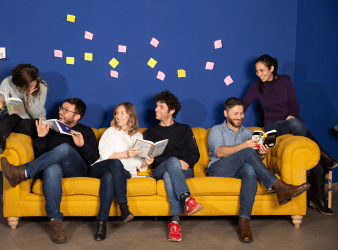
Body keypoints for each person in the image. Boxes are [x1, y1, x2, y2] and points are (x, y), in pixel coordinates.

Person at [242, 54, 337, 216]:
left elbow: (294, 103)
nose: (259, 74)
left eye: (262, 70)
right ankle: (325, 155)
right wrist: (234, 119)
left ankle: (318, 199)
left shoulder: (284, 80)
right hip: (273, 127)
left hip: (291, 123)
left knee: (309, 150)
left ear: (272, 69)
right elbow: (243, 104)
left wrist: (292, 114)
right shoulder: (256, 85)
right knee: (296, 124)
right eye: (257, 71)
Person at [206, 97, 310, 243]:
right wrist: (245, 147)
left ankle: (244, 222)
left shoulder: (248, 133)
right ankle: (279, 186)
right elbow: (220, 153)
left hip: (240, 170)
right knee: (247, 151)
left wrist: (261, 154)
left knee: (249, 168)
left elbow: (252, 159)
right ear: (226, 113)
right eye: (235, 113)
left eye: (241, 113)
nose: (239, 117)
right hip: (218, 169)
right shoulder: (216, 130)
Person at [0, 98, 99, 244]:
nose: (60, 112)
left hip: (77, 170)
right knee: (51, 169)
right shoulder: (51, 129)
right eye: (61, 108)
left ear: (76, 116)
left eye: (66, 110)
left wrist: (82, 146)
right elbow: (42, 158)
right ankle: (56, 223)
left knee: (64, 148)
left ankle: (24, 172)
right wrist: (41, 137)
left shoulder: (86, 131)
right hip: (54, 170)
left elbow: (94, 160)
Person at [143, 90, 203, 242]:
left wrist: (185, 163)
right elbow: (154, 160)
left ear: (171, 110)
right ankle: (187, 199)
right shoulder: (150, 133)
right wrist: (174, 161)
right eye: (157, 106)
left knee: (170, 175)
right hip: (160, 169)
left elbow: (195, 154)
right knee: (172, 162)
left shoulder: (185, 129)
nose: (156, 109)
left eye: (161, 107)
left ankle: (175, 223)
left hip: (184, 170)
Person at [90, 102, 153, 241]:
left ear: (131, 115)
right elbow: (105, 155)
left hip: (123, 173)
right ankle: (123, 206)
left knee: (109, 177)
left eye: (122, 113)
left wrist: (145, 162)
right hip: (100, 167)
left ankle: (101, 224)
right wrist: (126, 154)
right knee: (114, 164)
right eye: (116, 113)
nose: (118, 116)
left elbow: (137, 163)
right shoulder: (110, 132)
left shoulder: (138, 137)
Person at [0, 64, 49, 154]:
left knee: (25, 124)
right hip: (14, 118)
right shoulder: (7, 82)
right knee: (8, 117)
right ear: (20, 86)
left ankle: (0, 136)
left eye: (35, 81)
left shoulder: (42, 86)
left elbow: (36, 115)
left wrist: (26, 94)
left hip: (34, 120)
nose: (35, 85)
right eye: (30, 86)